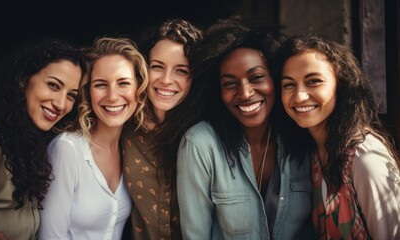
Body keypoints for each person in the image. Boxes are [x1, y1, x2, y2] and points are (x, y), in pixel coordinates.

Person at [176, 16, 314, 240]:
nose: (245, 93)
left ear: (274, 79)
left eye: (256, 77)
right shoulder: (200, 145)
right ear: (218, 92)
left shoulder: (300, 135)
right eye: (230, 83)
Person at [278, 33, 400, 239]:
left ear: (341, 85)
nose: (299, 96)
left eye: (313, 81)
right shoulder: (313, 154)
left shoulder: (363, 157)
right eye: (289, 84)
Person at [0, 39, 86, 240]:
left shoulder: (29, 145)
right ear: (23, 79)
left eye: (71, 95)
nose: (61, 104)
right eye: (53, 85)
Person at [38, 37, 148, 240]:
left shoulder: (132, 150)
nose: (113, 96)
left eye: (123, 83)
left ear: (138, 90)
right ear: (87, 92)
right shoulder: (67, 149)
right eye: (101, 85)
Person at [121, 19, 202, 239]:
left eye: (181, 71)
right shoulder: (124, 125)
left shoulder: (205, 136)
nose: (166, 80)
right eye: (157, 66)